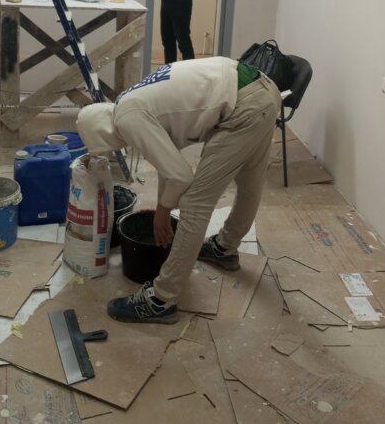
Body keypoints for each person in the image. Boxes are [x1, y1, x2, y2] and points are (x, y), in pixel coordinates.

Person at [76, 56, 282, 324]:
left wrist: (163, 211)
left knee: (195, 203)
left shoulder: (128, 119)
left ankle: (161, 300)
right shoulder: (130, 101)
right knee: (250, 182)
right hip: (261, 89)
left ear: (102, 134)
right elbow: (169, 160)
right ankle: (224, 248)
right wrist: (163, 203)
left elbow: (181, 176)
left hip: (243, 106)